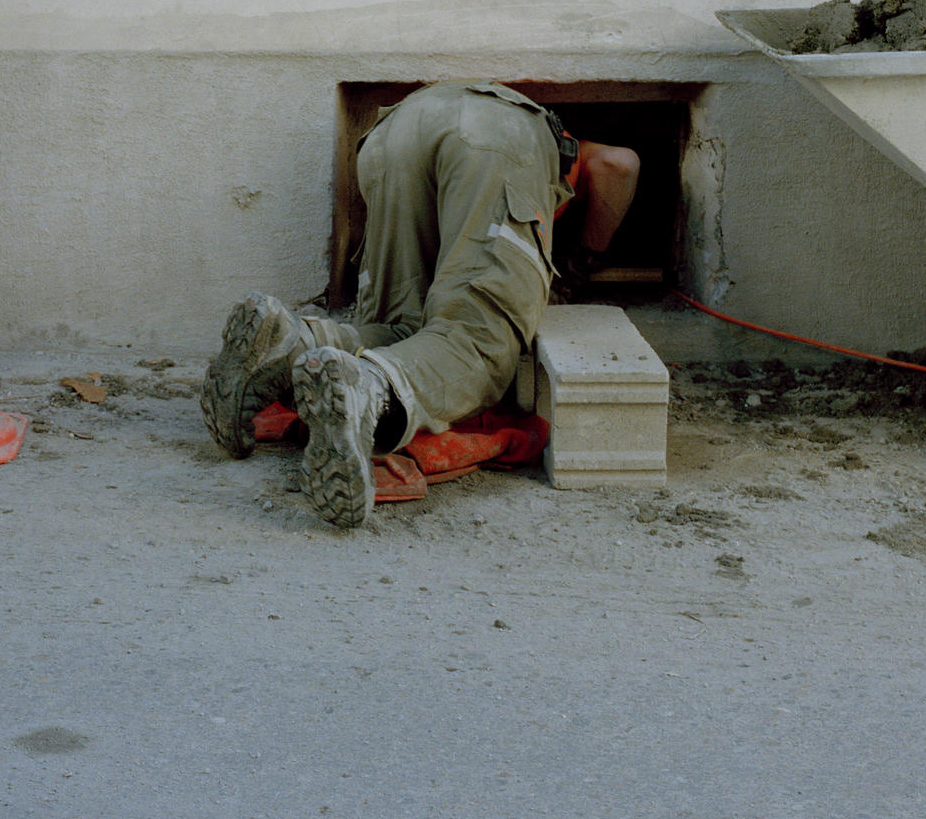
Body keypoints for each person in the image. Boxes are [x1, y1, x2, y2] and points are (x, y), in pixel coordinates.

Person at [200, 81, 641, 529]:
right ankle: (366, 390)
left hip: (394, 131)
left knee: (402, 327)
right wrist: (585, 261)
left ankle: (289, 341)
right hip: (494, 142)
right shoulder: (566, 151)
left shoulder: (459, 113)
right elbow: (620, 165)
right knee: (476, 343)